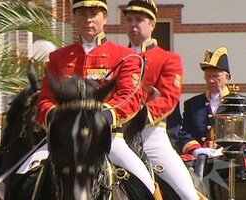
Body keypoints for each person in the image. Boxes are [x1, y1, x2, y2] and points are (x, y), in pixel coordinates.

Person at [19, 0, 161, 197]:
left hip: (109, 139)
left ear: (105, 18)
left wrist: (103, 117)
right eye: (82, 15)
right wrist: (55, 118)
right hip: (64, 140)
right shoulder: (58, 57)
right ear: (74, 18)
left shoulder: (125, 56)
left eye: (93, 14)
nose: (88, 20)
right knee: (21, 177)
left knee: (147, 183)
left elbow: (130, 96)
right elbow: (45, 100)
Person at [123, 0, 200, 199]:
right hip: (117, 135)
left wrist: (140, 115)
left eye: (139, 20)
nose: (133, 25)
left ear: (152, 24)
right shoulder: (117, 56)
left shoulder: (169, 58)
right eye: (129, 19)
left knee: (188, 194)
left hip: (151, 136)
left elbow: (168, 97)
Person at [179, 46, 246, 158]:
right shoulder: (193, 104)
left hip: (231, 161)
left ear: (227, 78)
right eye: (208, 76)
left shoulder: (242, 103)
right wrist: (197, 150)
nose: (211, 80)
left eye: (216, 76)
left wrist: (225, 151)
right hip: (200, 160)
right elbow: (184, 133)